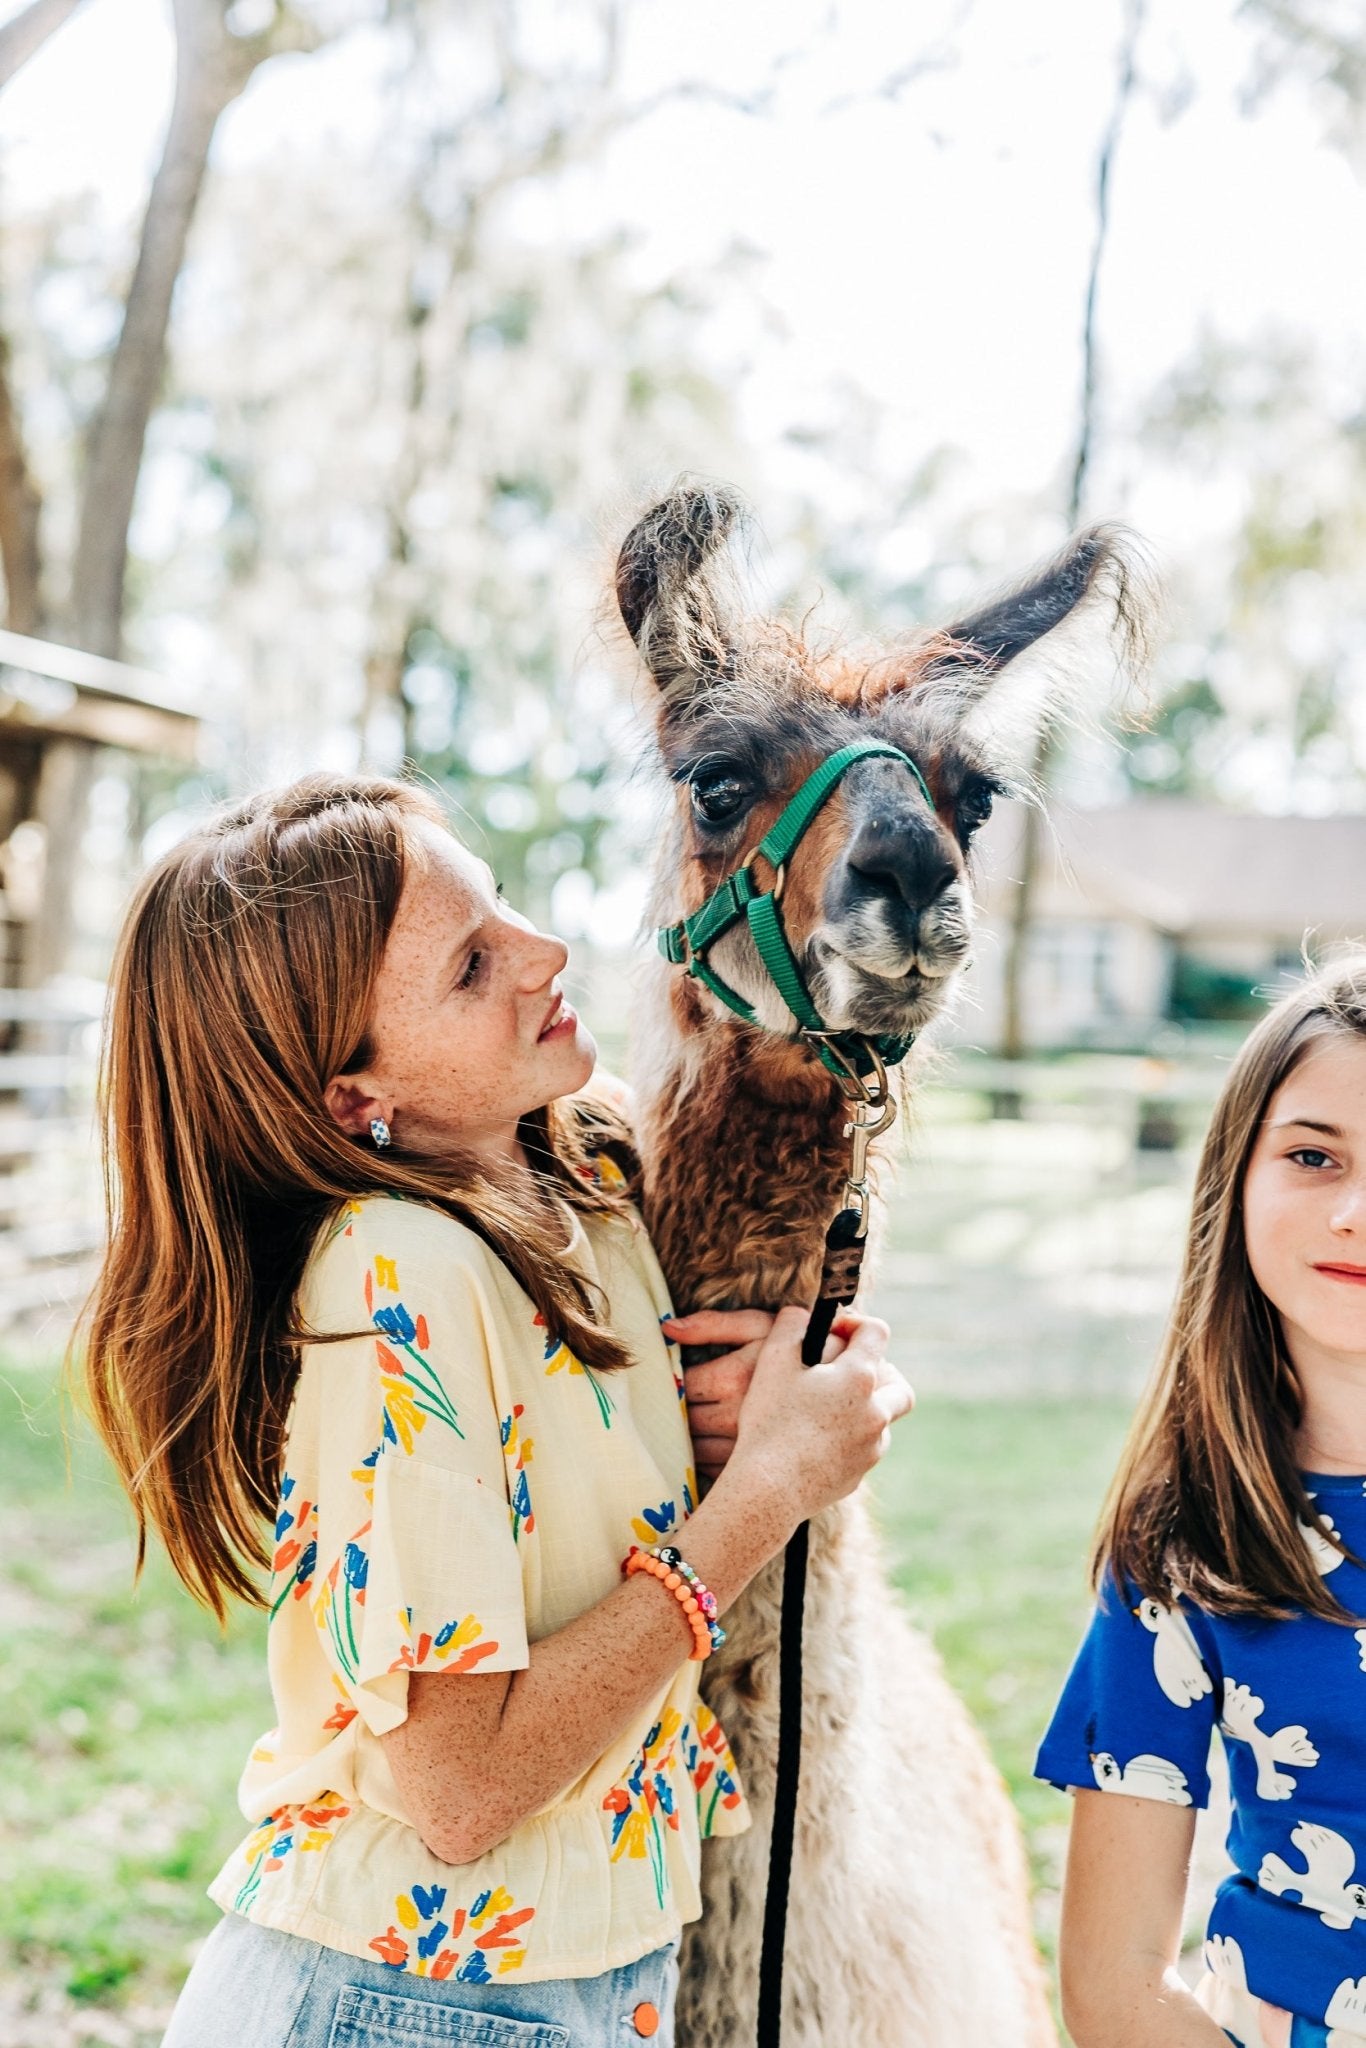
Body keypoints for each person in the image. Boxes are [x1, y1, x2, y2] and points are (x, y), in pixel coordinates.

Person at [83, 773, 911, 2048]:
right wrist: (762, 1497)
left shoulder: (581, 1175)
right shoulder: (393, 1277)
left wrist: (795, 1379)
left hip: (562, 1986)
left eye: (505, 907)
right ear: (354, 1097)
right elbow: (463, 1791)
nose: (547, 950)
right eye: (472, 967)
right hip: (402, 2002)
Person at [1035, 953, 1366, 2048]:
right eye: (1314, 1155)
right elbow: (1111, 1984)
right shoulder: (1183, 1549)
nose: (1355, 1210)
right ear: (1238, 1179)